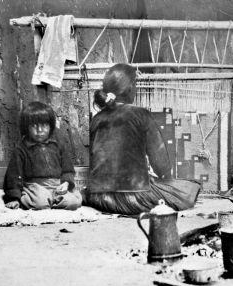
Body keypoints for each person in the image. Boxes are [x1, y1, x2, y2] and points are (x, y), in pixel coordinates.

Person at [86, 63, 201, 215]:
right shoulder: (141, 114)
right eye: (135, 84)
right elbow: (162, 165)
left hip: (97, 197)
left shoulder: (96, 119)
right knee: (192, 187)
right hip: (133, 198)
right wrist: (167, 183)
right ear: (129, 88)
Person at [3, 101, 82, 210]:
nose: (39, 130)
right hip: (35, 186)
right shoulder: (21, 149)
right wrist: (13, 198)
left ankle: (53, 200)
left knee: (74, 202)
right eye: (34, 126)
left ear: (50, 126)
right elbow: (13, 175)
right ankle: (38, 199)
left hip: (57, 185)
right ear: (26, 127)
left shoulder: (58, 144)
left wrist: (66, 183)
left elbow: (67, 169)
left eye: (44, 125)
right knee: (40, 203)